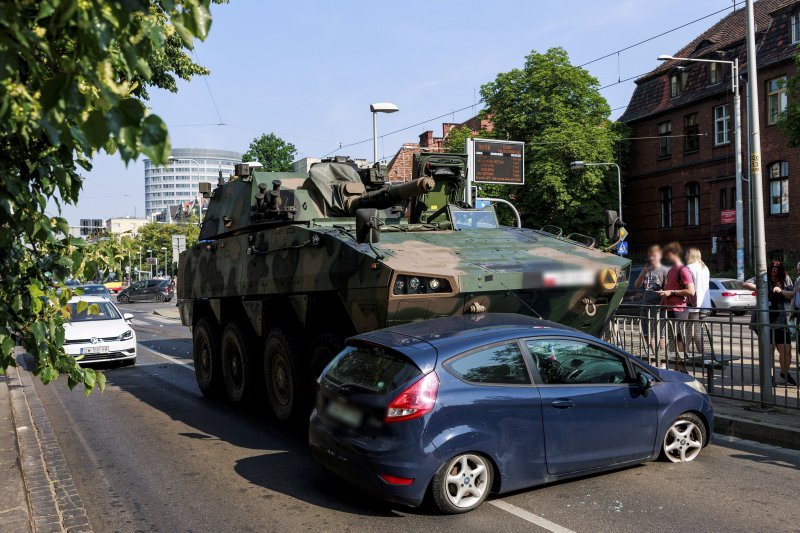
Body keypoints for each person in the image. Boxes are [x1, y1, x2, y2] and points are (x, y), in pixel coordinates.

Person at [656, 242, 696, 372]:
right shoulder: (671, 271)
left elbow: (691, 291)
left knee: (679, 339)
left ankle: (682, 369)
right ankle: (677, 368)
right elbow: (668, 289)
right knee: (672, 340)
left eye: (667, 255)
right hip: (669, 309)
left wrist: (672, 292)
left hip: (679, 309)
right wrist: (662, 301)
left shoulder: (683, 270)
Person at [634, 245, 668, 351]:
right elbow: (636, 285)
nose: (652, 258)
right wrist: (643, 274)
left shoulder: (664, 270)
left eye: (654, 256)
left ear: (660, 256)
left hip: (658, 307)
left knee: (660, 335)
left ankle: (661, 357)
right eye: (650, 256)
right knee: (646, 332)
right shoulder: (646, 269)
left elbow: (666, 289)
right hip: (645, 305)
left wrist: (661, 304)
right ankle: (653, 355)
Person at [686, 248, 711, 356]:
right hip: (705, 303)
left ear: (691, 255)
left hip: (693, 302)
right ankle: (684, 352)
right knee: (692, 328)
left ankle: (702, 354)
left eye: (687, 254)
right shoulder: (704, 267)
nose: (685, 256)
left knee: (694, 330)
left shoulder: (689, 268)